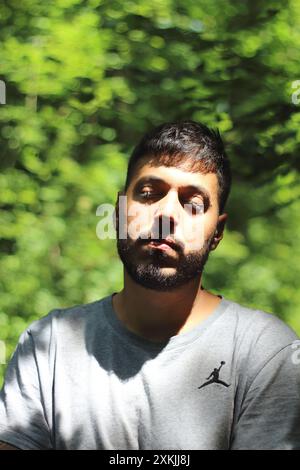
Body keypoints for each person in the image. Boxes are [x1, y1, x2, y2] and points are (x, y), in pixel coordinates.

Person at [0, 121, 299, 450]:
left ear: (217, 233)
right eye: (149, 193)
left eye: (193, 203)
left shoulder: (265, 352)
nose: (166, 214)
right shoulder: (49, 345)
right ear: (118, 212)